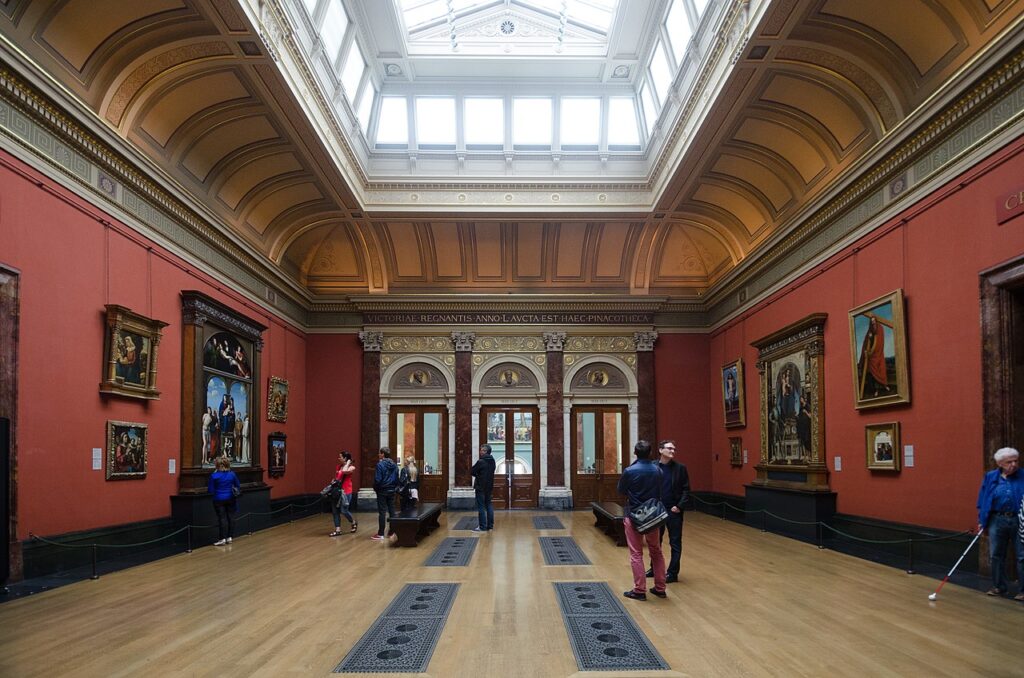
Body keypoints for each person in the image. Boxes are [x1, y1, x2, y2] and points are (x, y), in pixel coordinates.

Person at [617, 440, 667, 601]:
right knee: (656, 551)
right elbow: (660, 491)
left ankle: (639, 590)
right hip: (653, 515)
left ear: (635, 452)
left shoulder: (630, 471)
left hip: (634, 515)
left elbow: (621, 490)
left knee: (636, 553)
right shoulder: (658, 470)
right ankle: (660, 588)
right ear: (651, 452)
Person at [977, 447, 1024, 599]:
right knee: (996, 555)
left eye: (1016, 460)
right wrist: (981, 520)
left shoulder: (1023, 475)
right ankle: (999, 587)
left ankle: (1023, 590)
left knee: (1022, 555)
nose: (1014, 464)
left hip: (1020, 519)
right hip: (996, 519)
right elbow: (983, 499)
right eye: (1009, 462)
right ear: (1000, 463)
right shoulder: (991, 477)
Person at [645, 440, 690, 584]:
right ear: (660, 450)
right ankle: (654, 568)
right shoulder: (651, 466)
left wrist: (679, 506)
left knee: (675, 542)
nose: (672, 451)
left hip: (673, 511)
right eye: (669, 448)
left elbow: (686, 489)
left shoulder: (680, 468)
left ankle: (672, 573)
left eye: (674, 449)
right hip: (656, 511)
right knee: (655, 542)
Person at [857, 314, 894, 399]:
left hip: (878, 354)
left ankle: (885, 386)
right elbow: (866, 343)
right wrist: (867, 350)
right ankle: (875, 390)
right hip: (870, 357)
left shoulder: (880, 329)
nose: (873, 323)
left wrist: (871, 351)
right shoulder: (870, 331)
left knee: (880, 370)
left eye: (874, 321)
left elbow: (878, 343)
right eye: (872, 322)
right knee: (871, 374)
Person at [207, 456, 240, 546]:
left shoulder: (214, 476)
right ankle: (230, 537)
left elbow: (211, 490)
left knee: (222, 519)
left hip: (218, 499)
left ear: (217, 465)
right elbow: (237, 485)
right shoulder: (232, 474)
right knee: (231, 517)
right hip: (231, 498)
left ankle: (222, 539)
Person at [372, 447, 399, 541]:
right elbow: (396, 478)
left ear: (383, 454)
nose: (378, 455)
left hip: (382, 491)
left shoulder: (380, 465)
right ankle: (392, 531)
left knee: (382, 512)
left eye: (380, 453)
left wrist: (376, 488)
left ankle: (381, 533)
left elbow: (378, 479)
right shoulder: (394, 465)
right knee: (392, 511)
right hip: (392, 490)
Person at [328, 452, 357, 536]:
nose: (339, 458)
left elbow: (344, 471)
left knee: (344, 511)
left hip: (346, 492)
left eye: (340, 457)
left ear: (345, 458)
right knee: (335, 511)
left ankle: (353, 522)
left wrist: (348, 463)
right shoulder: (338, 467)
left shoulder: (352, 467)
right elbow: (338, 477)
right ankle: (338, 529)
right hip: (337, 491)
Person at [471, 444, 496, 532]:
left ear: (485, 451)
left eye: (482, 450)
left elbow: (472, 471)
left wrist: (478, 474)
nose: (480, 452)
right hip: (489, 487)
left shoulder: (481, 461)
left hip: (480, 487)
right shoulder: (493, 461)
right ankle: (490, 526)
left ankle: (482, 527)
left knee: (481, 507)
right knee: (489, 505)